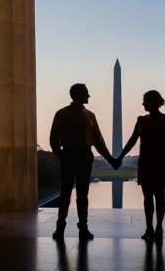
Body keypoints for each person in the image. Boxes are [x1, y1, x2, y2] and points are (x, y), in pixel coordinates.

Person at [49, 83, 119, 239]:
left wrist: (111, 160)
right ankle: (60, 227)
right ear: (76, 94)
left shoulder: (90, 116)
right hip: (69, 154)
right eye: (86, 93)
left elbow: (98, 142)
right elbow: (54, 140)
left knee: (83, 195)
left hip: (85, 156)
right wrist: (62, 157)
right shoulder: (62, 114)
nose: (89, 96)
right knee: (65, 193)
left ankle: (83, 227)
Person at [116, 90, 165, 240]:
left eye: (145, 101)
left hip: (159, 161)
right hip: (145, 162)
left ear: (154, 102)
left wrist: (162, 162)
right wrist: (120, 157)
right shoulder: (141, 120)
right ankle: (149, 227)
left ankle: (159, 227)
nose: (143, 104)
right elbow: (132, 140)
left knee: (159, 196)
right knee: (147, 197)